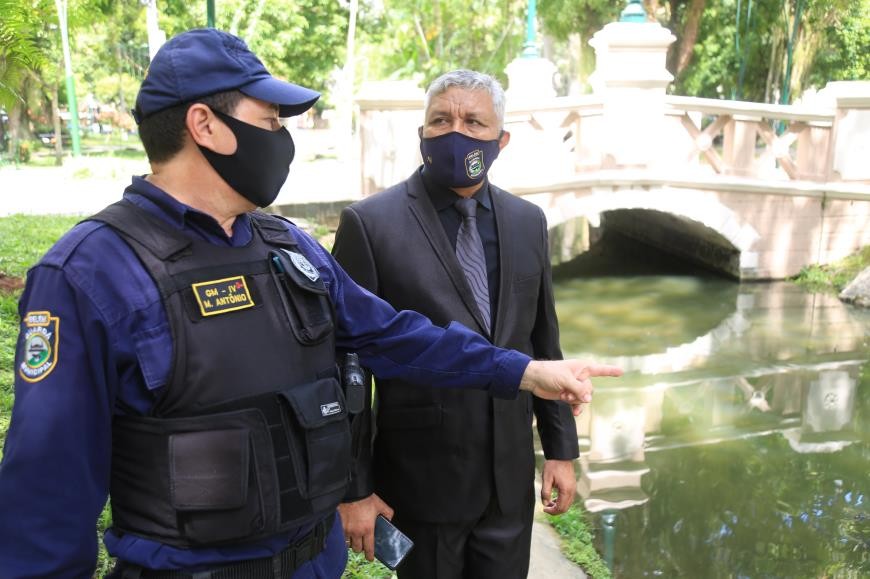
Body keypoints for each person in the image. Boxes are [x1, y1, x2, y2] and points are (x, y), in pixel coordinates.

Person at [0, 30, 621, 579]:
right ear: (206, 125)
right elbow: (46, 499)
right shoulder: (90, 274)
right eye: (271, 121)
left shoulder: (285, 245)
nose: (282, 138)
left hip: (312, 562)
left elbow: (393, 336)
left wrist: (524, 370)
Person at [332, 69, 582, 578]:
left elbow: (543, 341)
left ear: (501, 141)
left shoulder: (526, 221)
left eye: (473, 121)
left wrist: (559, 450)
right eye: (441, 119)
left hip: (508, 481)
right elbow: (345, 367)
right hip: (421, 482)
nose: (456, 132)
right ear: (422, 133)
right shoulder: (371, 224)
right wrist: (353, 487)